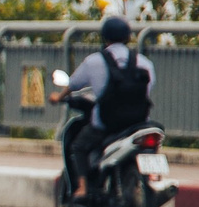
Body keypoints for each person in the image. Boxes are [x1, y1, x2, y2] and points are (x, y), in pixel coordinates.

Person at [52, 14, 156, 196]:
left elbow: (74, 84)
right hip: (138, 124)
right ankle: (152, 178)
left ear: (105, 37)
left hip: (107, 125)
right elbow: (148, 89)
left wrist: (58, 97)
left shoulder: (94, 61)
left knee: (79, 146)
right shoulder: (144, 63)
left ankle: (83, 187)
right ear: (128, 37)